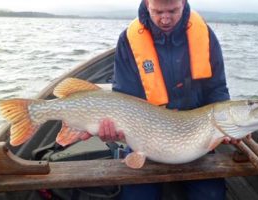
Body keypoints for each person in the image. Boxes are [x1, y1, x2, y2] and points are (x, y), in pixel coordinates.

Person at [98, 0, 237, 199]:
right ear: (147, 4)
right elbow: (123, 96)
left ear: (183, 3)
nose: (165, 18)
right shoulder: (128, 40)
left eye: (172, 11)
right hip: (143, 140)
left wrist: (229, 127)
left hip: (197, 140)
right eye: (157, 11)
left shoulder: (204, 35)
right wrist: (113, 130)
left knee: (212, 195)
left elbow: (217, 89)